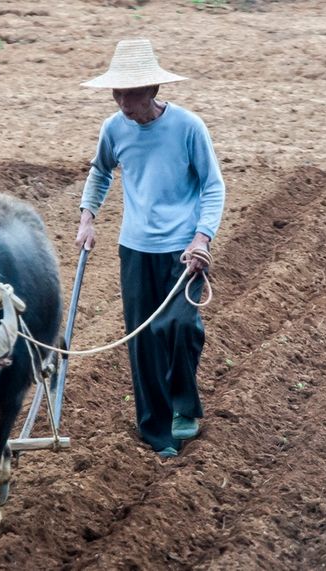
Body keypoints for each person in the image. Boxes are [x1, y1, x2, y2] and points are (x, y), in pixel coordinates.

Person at [75, 39, 226, 459]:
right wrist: (87, 217)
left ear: (154, 90)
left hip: (182, 249)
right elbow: (100, 172)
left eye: (132, 92)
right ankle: (157, 432)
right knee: (142, 341)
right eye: (117, 92)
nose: (123, 101)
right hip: (135, 249)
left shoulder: (188, 127)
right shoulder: (114, 129)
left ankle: (184, 405)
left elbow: (213, 186)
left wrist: (202, 238)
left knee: (180, 327)